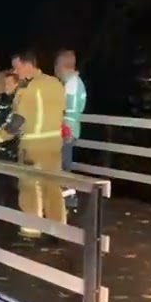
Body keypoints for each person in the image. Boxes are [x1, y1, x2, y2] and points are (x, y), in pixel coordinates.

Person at [0, 51, 67, 238]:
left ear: (27, 65)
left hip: (33, 145)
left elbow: (17, 122)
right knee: (52, 187)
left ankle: (31, 230)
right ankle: (58, 229)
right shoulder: (56, 83)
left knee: (29, 187)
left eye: (17, 67)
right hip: (53, 143)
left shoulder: (28, 89)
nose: (15, 71)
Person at [55, 49, 88, 199]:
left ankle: (68, 197)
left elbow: (67, 108)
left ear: (62, 64)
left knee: (63, 164)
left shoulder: (71, 83)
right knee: (63, 163)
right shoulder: (75, 82)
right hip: (71, 128)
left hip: (66, 129)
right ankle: (66, 197)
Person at [0, 71, 21, 161]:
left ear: (16, 84)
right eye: (5, 83)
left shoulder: (19, 100)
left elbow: (15, 123)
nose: (6, 86)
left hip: (11, 145)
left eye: (9, 83)